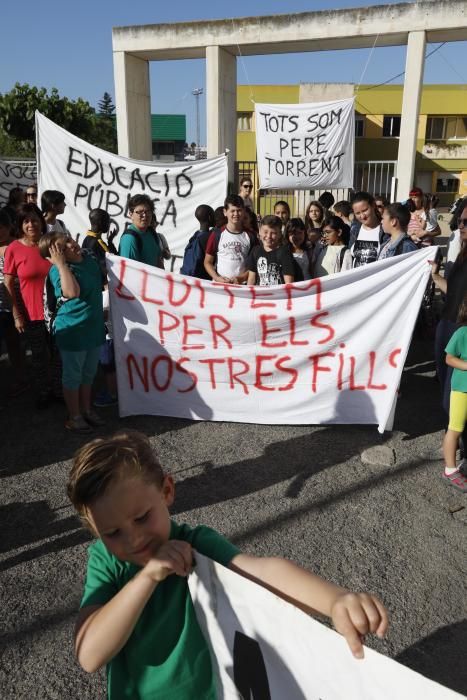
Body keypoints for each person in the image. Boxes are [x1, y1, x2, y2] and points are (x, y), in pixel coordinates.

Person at [68, 430, 388, 698]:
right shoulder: (106, 562)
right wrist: (147, 577)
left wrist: (335, 601)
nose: (133, 539)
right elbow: (90, 655)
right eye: (111, 533)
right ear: (95, 531)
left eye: (141, 517)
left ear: (167, 491)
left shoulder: (195, 544)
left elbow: (261, 571)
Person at [39, 232, 105, 433]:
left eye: (68, 240)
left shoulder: (89, 260)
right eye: (62, 247)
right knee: (73, 376)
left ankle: (86, 409)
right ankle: (74, 417)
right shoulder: (57, 271)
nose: (70, 245)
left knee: (88, 374)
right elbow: (72, 292)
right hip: (73, 332)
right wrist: (60, 264)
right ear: (55, 254)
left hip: (93, 329)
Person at [3, 203, 52, 407]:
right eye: (26, 221)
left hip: (58, 312)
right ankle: (43, 392)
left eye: (34, 219)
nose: (31, 224)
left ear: (42, 221)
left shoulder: (51, 243)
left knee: (58, 354)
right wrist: (16, 315)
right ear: (20, 225)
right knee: (39, 356)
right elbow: (7, 284)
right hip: (32, 313)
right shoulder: (14, 248)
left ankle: (59, 391)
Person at [430, 203, 467, 460]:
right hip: (447, 325)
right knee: (447, 388)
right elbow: (451, 292)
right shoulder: (463, 255)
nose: (461, 226)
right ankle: (453, 441)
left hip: (462, 330)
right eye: (461, 222)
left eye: (466, 223)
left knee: (455, 395)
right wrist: (435, 276)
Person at [442, 294, 467, 491]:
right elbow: (449, 358)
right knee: (455, 428)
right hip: (461, 390)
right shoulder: (462, 333)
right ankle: (450, 469)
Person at [0, 210, 26, 396]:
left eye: (2, 228)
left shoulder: (16, 246)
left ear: (9, 227)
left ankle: (21, 379)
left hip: (15, 303)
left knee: (15, 344)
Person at [204, 195, 256, 284]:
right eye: (232, 211)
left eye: (239, 210)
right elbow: (207, 262)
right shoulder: (217, 235)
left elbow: (254, 265)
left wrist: (242, 278)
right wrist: (217, 278)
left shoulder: (251, 236)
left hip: (242, 289)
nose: (236, 214)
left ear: (243, 211)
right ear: (225, 212)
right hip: (220, 288)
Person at [247, 214, 295, 286]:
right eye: (265, 232)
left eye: (273, 233)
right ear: (259, 231)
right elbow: (251, 279)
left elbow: (289, 283)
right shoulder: (255, 251)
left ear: (280, 234)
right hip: (260, 296)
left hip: (279, 296)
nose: (269, 236)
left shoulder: (284, 253)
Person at [118, 194, 163, 268]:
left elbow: (159, 262)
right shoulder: (129, 239)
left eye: (148, 211)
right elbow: (129, 272)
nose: (144, 215)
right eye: (140, 212)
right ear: (131, 214)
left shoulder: (152, 233)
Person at [349, 192, 386, 268]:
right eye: (358, 213)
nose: (362, 216)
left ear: (373, 205)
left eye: (365, 210)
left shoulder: (385, 230)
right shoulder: (355, 229)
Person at [180, 204, 215, 280]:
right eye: (213, 215)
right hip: (202, 280)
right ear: (209, 218)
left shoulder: (196, 235)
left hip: (190, 278)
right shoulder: (209, 237)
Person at [81, 209, 118, 282]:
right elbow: (104, 266)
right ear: (100, 222)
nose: (109, 224)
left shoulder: (94, 239)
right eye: (107, 222)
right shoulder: (93, 243)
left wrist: (110, 242)